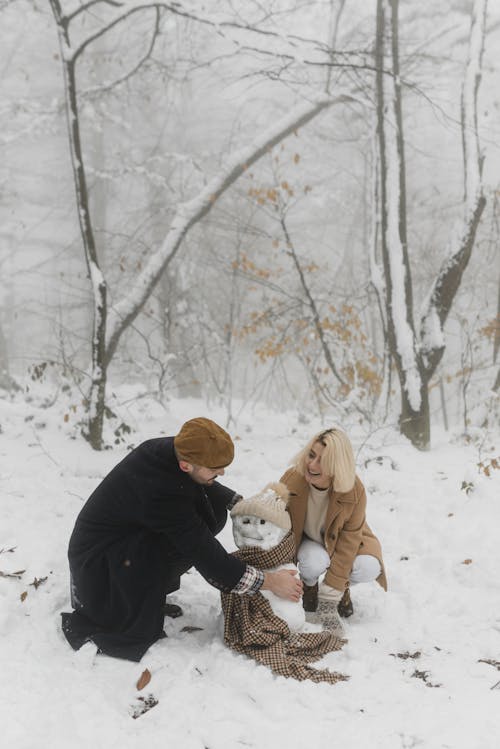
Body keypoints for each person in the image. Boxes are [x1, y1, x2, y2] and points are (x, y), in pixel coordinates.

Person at [61, 417, 302, 661]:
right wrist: (271, 581)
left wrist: (242, 504)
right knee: (186, 536)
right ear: (186, 465)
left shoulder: (173, 449)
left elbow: (205, 485)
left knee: (212, 511)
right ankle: (129, 605)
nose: (222, 472)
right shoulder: (162, 493)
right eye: (215, 468)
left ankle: (147, 596)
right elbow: (206, 555)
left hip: (122, 542)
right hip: (101, 569)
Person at [280, 427, 387, 630]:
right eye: (311, 455)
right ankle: (309, 588)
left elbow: (348, 544)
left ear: (336, 465)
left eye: (322, 460)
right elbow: (275, 523)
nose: (312, 464)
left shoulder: (354, 490)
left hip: (345, 539)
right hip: (309, 540)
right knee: (313, 562)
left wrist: (330, 597)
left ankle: (340, 588)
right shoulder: (291, 479)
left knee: (369, 566)